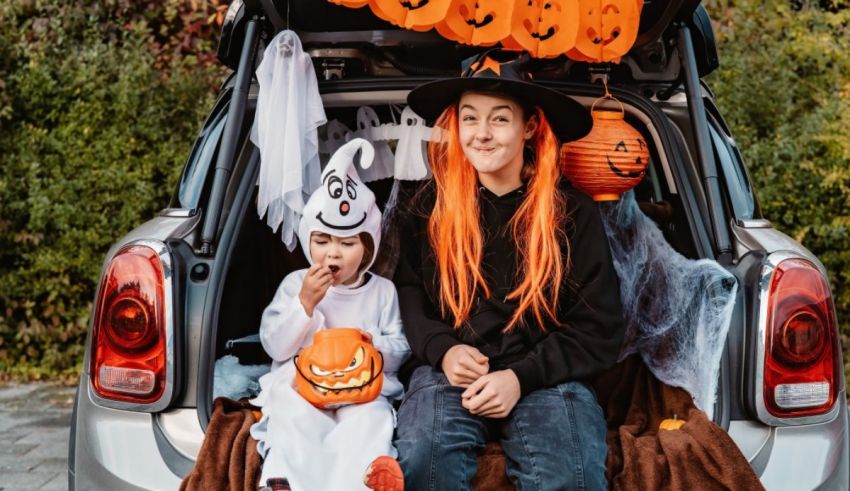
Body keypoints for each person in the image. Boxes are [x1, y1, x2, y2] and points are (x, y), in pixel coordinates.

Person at [392, 51, 625, 490]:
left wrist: (520, 378)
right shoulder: (429, 209)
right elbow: (410, 294)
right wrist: (443, 350)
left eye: (499, 119)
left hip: (546, 375)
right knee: (423, 460)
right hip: (450, 372)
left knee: (569, 477)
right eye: (470, 118)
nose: (481, 134)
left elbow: (599, 325)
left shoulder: (570, 215)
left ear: (530, 127)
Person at [251, 138, 411, 491]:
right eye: (322, 241)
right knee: (291, 415)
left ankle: (366, 479)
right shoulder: (296, 284)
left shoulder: (382, 291)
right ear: (309, 240)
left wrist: (372, 346)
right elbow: (275, 348)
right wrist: (304, 305)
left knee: (371, 420)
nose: (332, 254)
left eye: (347, 243)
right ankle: (285, 480)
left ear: (368, 245)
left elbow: (401, 348)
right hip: (303, 387)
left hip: (361, 390)